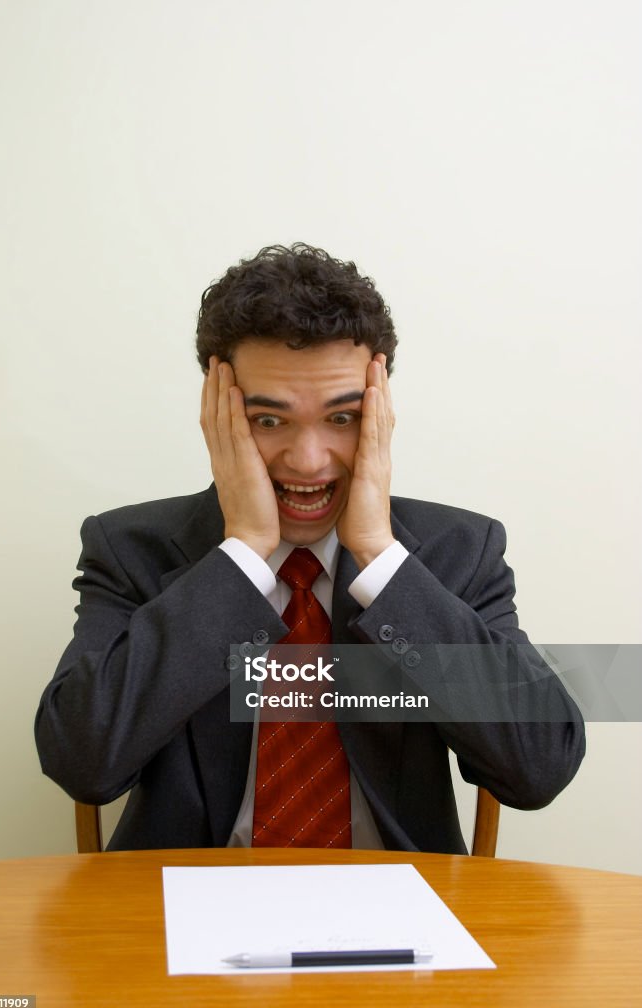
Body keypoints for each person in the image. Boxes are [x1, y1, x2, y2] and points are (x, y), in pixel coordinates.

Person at [35, 243, 585, 852]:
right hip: (186, 904)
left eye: (343, 419)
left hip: (405, 909)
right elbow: (83, 762)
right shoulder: (132, 550)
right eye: (269, 421)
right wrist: (243, 554)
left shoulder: (456, 552)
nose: (308, 460)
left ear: (380, 415)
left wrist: (380, 557)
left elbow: (538, 768)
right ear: (220, 416)